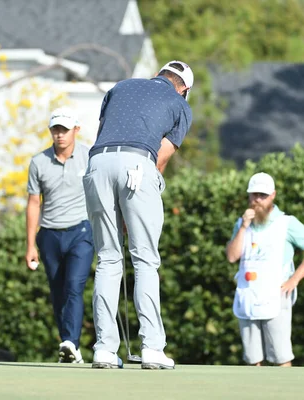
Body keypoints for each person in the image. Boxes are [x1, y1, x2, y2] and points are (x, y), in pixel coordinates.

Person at [82, 60, 194, 369]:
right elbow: (160, 158)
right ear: (183, 88)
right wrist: (138, 207)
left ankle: (104, 349)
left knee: (107, 258)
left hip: (96, 165)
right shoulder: (180, 105)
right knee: (145, 259)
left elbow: (104, 132)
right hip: (138, 166)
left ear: (159, 75)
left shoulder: (121, 87)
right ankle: (152, 349)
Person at [226, 172, 304, 367]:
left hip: (276, 298)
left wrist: (294, 280)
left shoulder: (287, 223)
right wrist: (243, 227)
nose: (257, 200)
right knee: (252, 360)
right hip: (248, 297)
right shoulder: (241, 223)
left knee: (281, 358)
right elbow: (232, 256)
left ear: (273, 195)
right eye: (254, 194)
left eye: (262, 195)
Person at [25, 107, 94, 364]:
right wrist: (31, 244)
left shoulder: (89, 156)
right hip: (50, 235)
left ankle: (70, 342)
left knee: (74, 287)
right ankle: (68, 345)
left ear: (76, 130)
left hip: (81, 231)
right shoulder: (38, 162)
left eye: (64, 130)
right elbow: (33, 203)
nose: (60, 135)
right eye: (55, 129)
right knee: (58, 293)